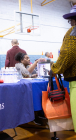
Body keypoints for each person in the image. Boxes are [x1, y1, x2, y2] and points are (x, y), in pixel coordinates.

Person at [50, 4, 76, 132]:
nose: (70, 23)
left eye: (70, 20)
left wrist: (54, 69)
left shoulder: (73, 31)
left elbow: (68, 53)